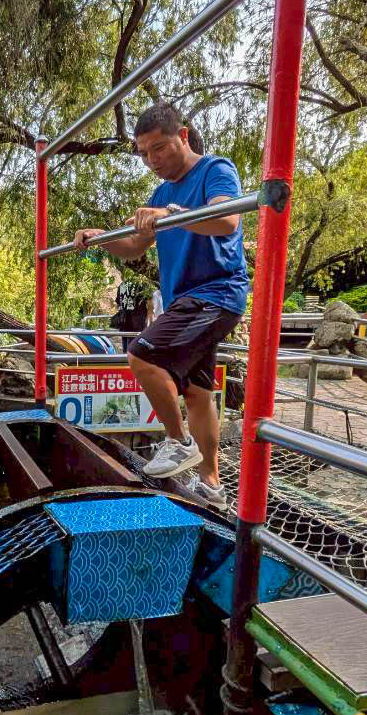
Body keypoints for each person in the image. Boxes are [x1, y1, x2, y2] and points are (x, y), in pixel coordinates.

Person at [73, 103, 247, 510]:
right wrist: (101, 238)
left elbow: (228, 221)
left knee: (142, 354)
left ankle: (178, 441)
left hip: (216, 293)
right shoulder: (161, 193)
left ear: (182, 136)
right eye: (144, 153)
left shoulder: (215, 170)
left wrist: (171, 215)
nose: (152, 160)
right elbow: (135, 247)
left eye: (159, 148)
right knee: (198, 393)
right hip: (185, 300)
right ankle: (212, 484)